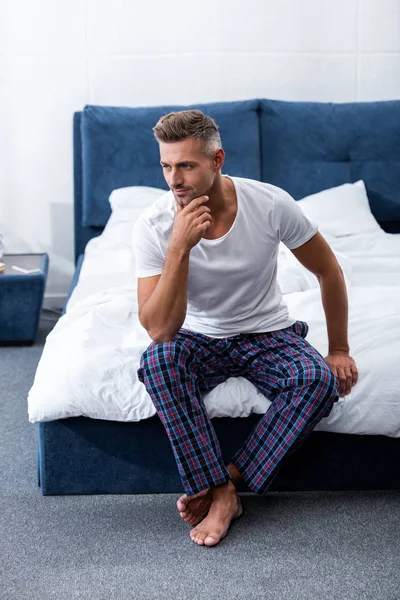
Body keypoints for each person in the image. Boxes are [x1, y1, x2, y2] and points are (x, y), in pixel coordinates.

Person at [133, 109, 358, 548]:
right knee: (158, 362)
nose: (174, 179)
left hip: (267, 332)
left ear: (218, 160)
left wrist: (340, 349)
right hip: (196, 335)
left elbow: (329, 272)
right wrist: (179, 245)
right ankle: (221, 494)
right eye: (166, 165)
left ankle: (226, 483)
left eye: (187, 165)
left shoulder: (270, 203)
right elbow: (160, 330)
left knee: (315, 380)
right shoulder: (154, 225)